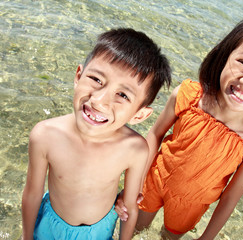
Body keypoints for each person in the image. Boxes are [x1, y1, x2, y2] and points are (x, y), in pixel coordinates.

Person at [115, 10, 243, 239]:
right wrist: (134, 185)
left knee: (169, 236)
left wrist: (207, 237)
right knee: (136, 227)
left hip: (190, 206)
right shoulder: (188, 96)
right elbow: (155, 135)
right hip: (153, 180)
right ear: (225, 55)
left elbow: (229, 198)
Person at [21, 28, 171, 240]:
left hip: (100, 231)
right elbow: (32, 194)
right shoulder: (45, 135)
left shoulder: (135, 149)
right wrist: (26, 236)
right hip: (50, 226)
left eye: (122, 95)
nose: (99, 100)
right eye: (96, 79)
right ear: (78, 76)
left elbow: (129, 208)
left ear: (139, 114)